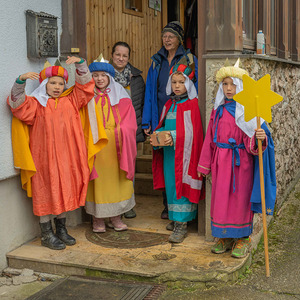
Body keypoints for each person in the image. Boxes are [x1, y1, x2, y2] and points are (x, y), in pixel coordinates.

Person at [7, 56, 105, 250]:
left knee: (64, 191)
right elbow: (16, 104)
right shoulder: (36, 104)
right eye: (53, 82)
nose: (57, 86)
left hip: (68, 158)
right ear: (44, 84)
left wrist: (81, 64)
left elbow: (86, 88)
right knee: (46, 192)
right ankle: (46, 234)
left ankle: (61, 229)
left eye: (61, 83)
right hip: (44, 159)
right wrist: (20, 80)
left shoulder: (71, 100)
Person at [197, 59, 276, 258]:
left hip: (242, 164)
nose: (229, 88)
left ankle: (242, 237)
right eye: (225, 84)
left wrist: (260, 139)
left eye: (233, 84)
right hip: (221, 163)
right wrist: (204, 164)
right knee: (221, 199)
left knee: (240, 200)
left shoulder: (248, 112)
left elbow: (259, 141)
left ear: (240, 86)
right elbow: (210, 139)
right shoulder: (218, 110)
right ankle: (224, 236)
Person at [142, 21, 198, 220]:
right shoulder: (157, 61)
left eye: (171, 36)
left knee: (180, 162)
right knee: (164, 160)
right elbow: (150, 91)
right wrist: (148, 120)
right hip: (162, 113)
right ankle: (167, 205)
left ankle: (183, 208)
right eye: (164, 36)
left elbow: (194, 87)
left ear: (179, 39)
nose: (167, 39)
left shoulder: (189, 59)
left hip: (183, 113)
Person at [150, 64, 204, 243]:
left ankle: (182, 224)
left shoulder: (192, 104)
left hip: (185, 155)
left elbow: (193, 133)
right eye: (174, 82)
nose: (177, 85)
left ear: (188, 84)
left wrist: (173, 136)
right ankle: (175, 217)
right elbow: (163, 125)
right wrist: (157, 137)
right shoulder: (168, 104)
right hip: (169, 155)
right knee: (171, 186)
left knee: (182, 185)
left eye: (181, 82)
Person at [86, 59, 137, 233]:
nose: (99, 79)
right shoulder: (87, 95)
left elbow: (129, 120)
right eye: (95, 75)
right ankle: (98, 218)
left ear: (109, 77)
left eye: (103, 75)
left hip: (117, 146)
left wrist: (121, 131)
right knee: (98, 181)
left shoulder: (120, 93)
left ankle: (116, 216)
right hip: (96, 146)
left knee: (117, 180)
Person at [110, 41, 145, 219]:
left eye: (125, 56)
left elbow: (142, 104)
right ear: (112, 55)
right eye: (118, 55)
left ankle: (127, 203)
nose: (121, 58)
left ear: (129, 58)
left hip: (131, 129)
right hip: (109, 130)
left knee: (129, 168)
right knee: (112, 168)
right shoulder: (103, 76)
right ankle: (113, 205)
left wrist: (143, 126)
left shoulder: (137, 78)